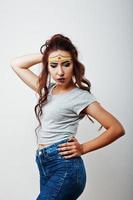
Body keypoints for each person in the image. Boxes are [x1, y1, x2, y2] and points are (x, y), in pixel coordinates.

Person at [10, 33, 125, 200]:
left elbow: (117, 128)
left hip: (65, 166)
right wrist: (48, 55)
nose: (60, 72)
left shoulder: (80, 97)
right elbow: (16, 64)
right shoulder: (46, 90)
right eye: (53, 65)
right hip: (45, 164)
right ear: (47, 66)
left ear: (74, 65)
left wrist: (83, 148)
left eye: (66, 64)